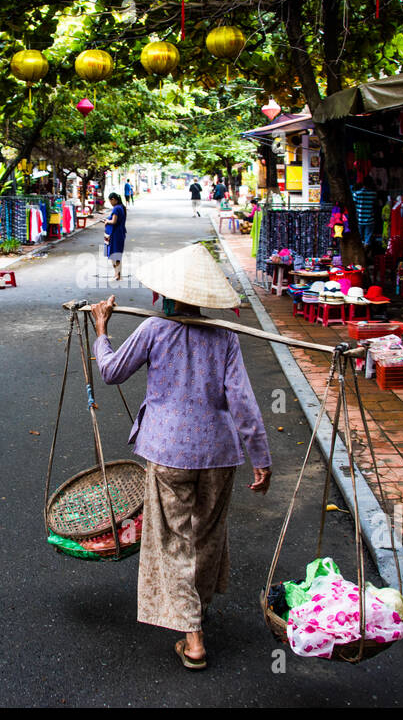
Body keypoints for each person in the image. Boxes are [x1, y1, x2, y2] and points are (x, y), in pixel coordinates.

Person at [90, 244, 272, 670]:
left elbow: (112, 370)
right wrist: (260, 456)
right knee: (206, 536)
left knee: (174, 540)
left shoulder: (155, 330)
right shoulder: (225, 337)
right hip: (219, 455)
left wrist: (102, 331)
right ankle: (196, 606)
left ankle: (192, 635)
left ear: (170, 296)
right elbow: (242, 403)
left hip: (170, 454)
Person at [103, 192, 127, 281]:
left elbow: (114, 221)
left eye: (110, 201)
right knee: (117, 255)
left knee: (114, 255)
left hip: (115, 234)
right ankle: (118, 274)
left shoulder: (116, 209)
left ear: (113, 199)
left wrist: (106, 221)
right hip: (120, 233)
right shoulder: (121, 207)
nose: (110, 203)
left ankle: (117, 275)